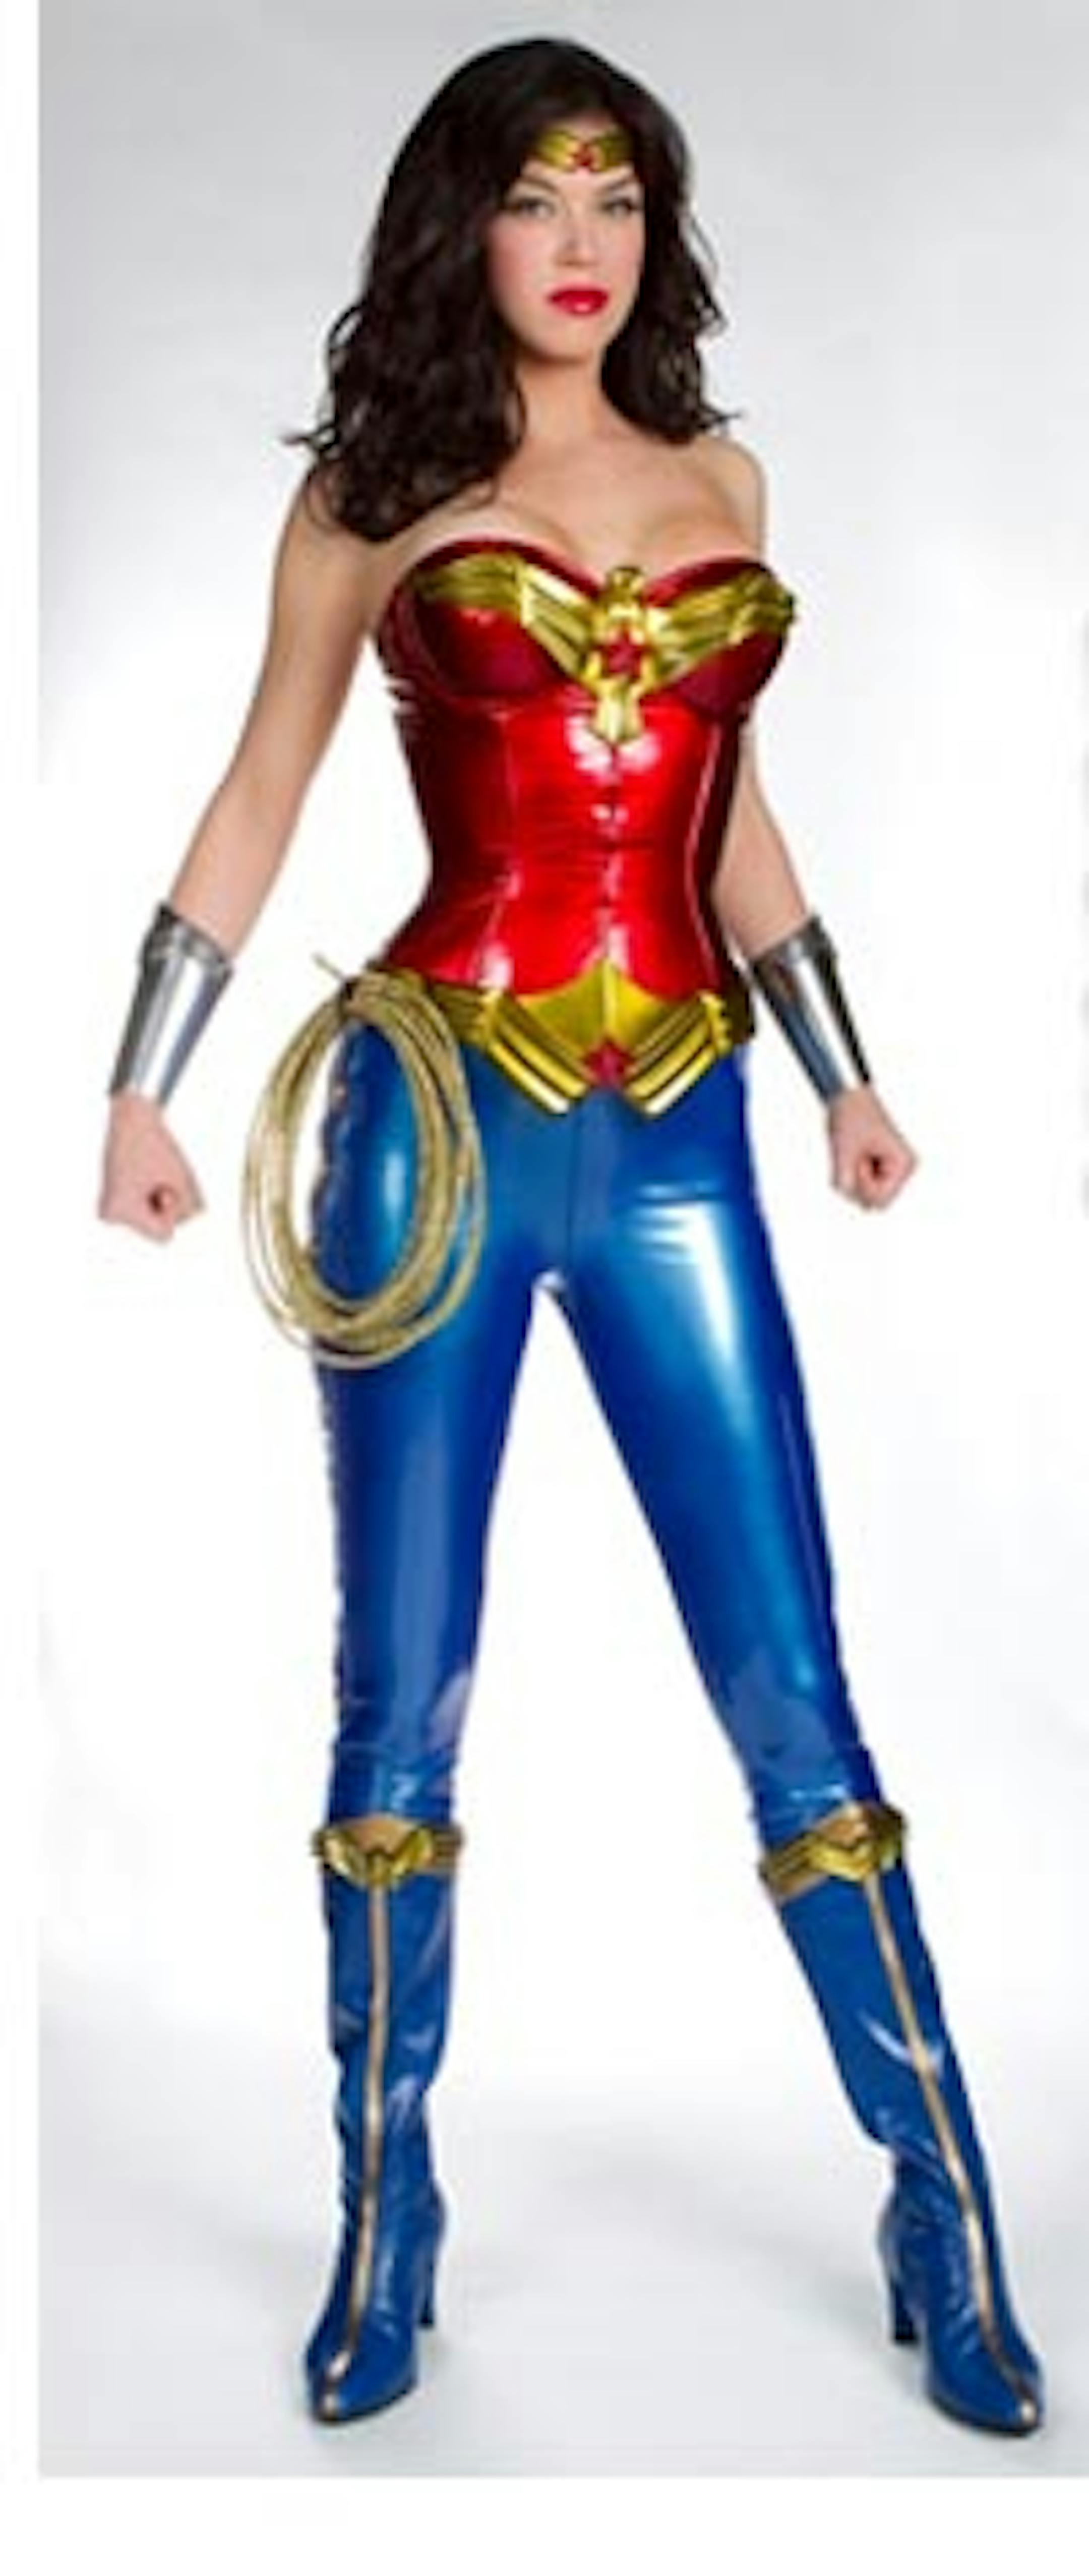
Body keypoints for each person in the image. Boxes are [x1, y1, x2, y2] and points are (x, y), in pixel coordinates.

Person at [97, 36, 1044, 2438]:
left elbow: (734, 818)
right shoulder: (374, 493)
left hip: (680, 1133)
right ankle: (383, 2205)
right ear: (470, 228)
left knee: (793, 1679)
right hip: (427, 1125)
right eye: (539, 197)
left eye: (619, 197)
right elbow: (266, 778)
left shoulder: (724, 481)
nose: (583, 241)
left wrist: (842, 1073)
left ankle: (944, 2199)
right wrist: (139, 1081)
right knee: (397, 1687)